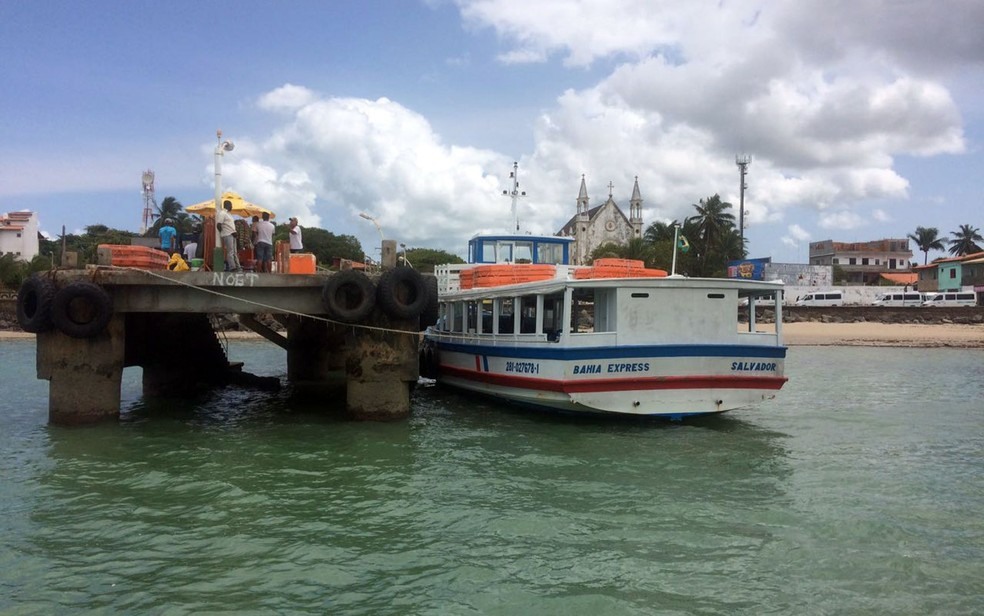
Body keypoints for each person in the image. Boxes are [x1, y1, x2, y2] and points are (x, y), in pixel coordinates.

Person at [216, 200, 241, 271]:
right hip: (228, 234)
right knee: (230, 252)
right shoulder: (222, 213)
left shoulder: (229, 214)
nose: (232, 207)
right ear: (227, 205)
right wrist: (224, 232)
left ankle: (238, 267)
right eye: (231, 205)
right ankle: (232, 267)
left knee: (234, 252)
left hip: (233, 234)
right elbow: (218, 225)